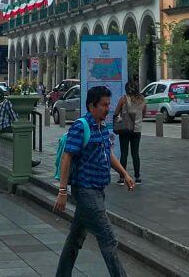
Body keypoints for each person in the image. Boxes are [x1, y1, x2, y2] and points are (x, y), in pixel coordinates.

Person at [55, 85, 134, 277]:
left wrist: (124, 173)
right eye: (104, 105)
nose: (108, 109)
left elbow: (108, 154)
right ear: (92, 106)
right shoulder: (80, 126)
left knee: (75, 239)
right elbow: (67, 157)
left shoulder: (102, 127)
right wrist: (62, 191)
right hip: (85, 190)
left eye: (109, 104)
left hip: (98, 189)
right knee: (108, 239)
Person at [112, 80, 144, 184]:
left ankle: (122, 178)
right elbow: (144, 113)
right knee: (135, 153)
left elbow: (116, 112)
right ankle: (137, 176)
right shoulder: (142, 100)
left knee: (124, 153)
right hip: (137, 129)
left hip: (125, 129)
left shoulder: (124, 99)